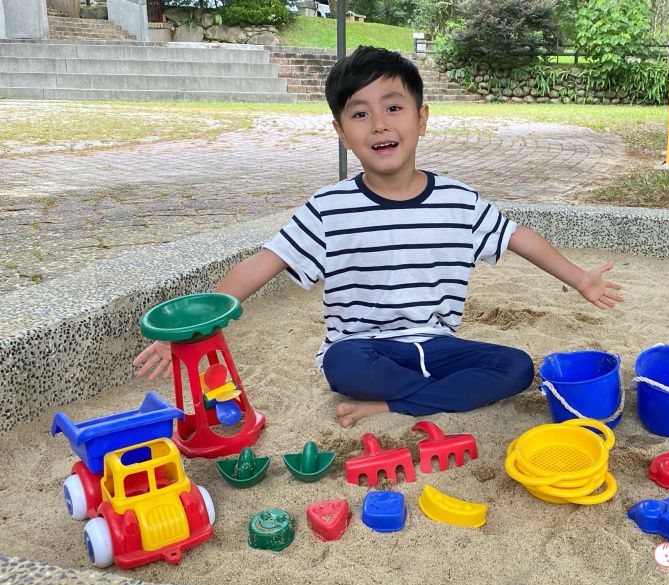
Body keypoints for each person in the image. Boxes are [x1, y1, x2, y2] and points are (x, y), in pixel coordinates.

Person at [134, 46, 623, 428]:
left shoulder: (457, 200)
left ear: (421, 118)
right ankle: (418, 396)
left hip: (435, 346)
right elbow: (262, 264)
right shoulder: (329, 208)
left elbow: (520, 237)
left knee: (516, 368)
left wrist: (580, 278)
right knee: (343, 365)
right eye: (360, 114)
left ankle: (393, 403)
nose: (380, 124)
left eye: (393, 107)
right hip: (366, 351)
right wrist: (195, 329)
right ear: (342, 132)